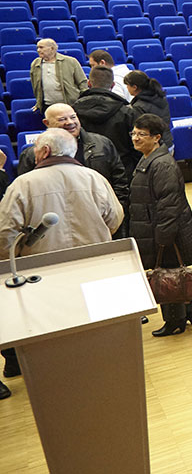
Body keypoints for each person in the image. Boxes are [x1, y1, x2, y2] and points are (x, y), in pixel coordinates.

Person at [0, 127, 124, 398]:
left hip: (43, 274)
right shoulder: (94, 177)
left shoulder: (22, 184)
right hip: (94, 266)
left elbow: (5, 235)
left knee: (54, 333)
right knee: (94, 327)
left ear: (44, 151)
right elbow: (114, 219)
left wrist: (19, 253)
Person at [128, 115, 192, 337]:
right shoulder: (149, 158)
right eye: (134, 133)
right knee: (175, 274)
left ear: (156, 137)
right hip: (156, 227)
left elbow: (169, 204)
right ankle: (187, 312)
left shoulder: (161, 164)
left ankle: (174, 322)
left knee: (168, 275)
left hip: (165, 231)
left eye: (142, 134)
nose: (135, 138)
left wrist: (163, 238)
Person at [15, 104, 129, 216]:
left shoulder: (102, 144)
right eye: (62, 119)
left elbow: (120, 181)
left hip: (98, 215)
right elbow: (26, 191)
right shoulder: (32, 154)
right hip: (55, 217)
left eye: (73, 117)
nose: (70, 122)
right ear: (47, 123)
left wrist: (116, 211)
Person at [74, 60, 140, 176]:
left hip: (85, 171)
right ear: (113, 85)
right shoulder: (127, 112)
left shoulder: (73, 112)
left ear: (89, 83)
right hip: (123, 170)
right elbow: (136, 146)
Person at [31, 38, 88, 112]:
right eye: (37, 48)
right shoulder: (35, 63)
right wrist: (38, 103)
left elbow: (82, 82)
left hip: (70, 104)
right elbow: (35, 85)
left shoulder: (70, 61)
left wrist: (84, 100)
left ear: (52, 48)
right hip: (48, 106)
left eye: (41, 47)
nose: (38, 50)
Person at [124, 71, 174, 150]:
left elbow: (140, 130)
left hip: (154, 147)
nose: (127, 88)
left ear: (134, 87)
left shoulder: (139, 106)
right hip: (167, 142)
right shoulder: (159, 97)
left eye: (127, 85)